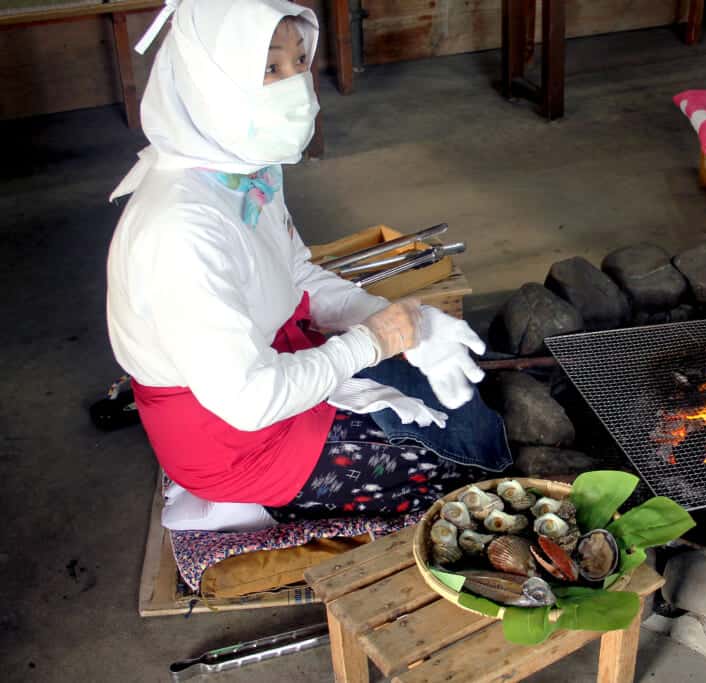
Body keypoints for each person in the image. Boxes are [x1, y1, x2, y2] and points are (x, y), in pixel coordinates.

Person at [106, 0, 511, 523]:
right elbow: (250, 399)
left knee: (461, 413)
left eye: (300, 61)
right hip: (235, 439)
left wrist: (401, 324)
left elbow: (296, 273)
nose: (297, 86)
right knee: (442, 476)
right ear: (207, 82)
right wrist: (371, 342)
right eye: (270, 68)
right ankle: (246, 504)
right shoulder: (180, 230)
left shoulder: (243, 172)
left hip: (282, 363)